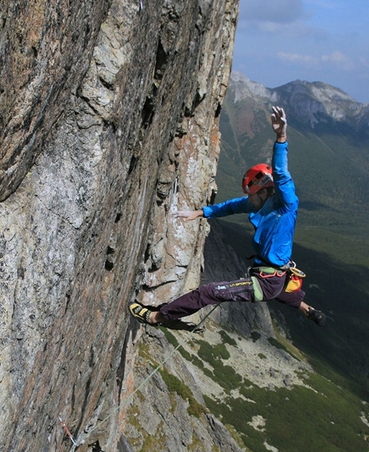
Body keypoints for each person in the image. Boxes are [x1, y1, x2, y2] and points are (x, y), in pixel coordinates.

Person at [130, 106, 326, 327]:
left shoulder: (286, 206)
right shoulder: (259, 204)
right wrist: (201, 212)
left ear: (263, 190)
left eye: (251, 195)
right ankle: (308, 310)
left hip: (267, 280)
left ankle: (157, 317)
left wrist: (281, 137)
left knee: (210, 291)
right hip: (275, 275)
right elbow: (231, 206)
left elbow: (281, 174)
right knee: (282, 291)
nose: (248, 199)